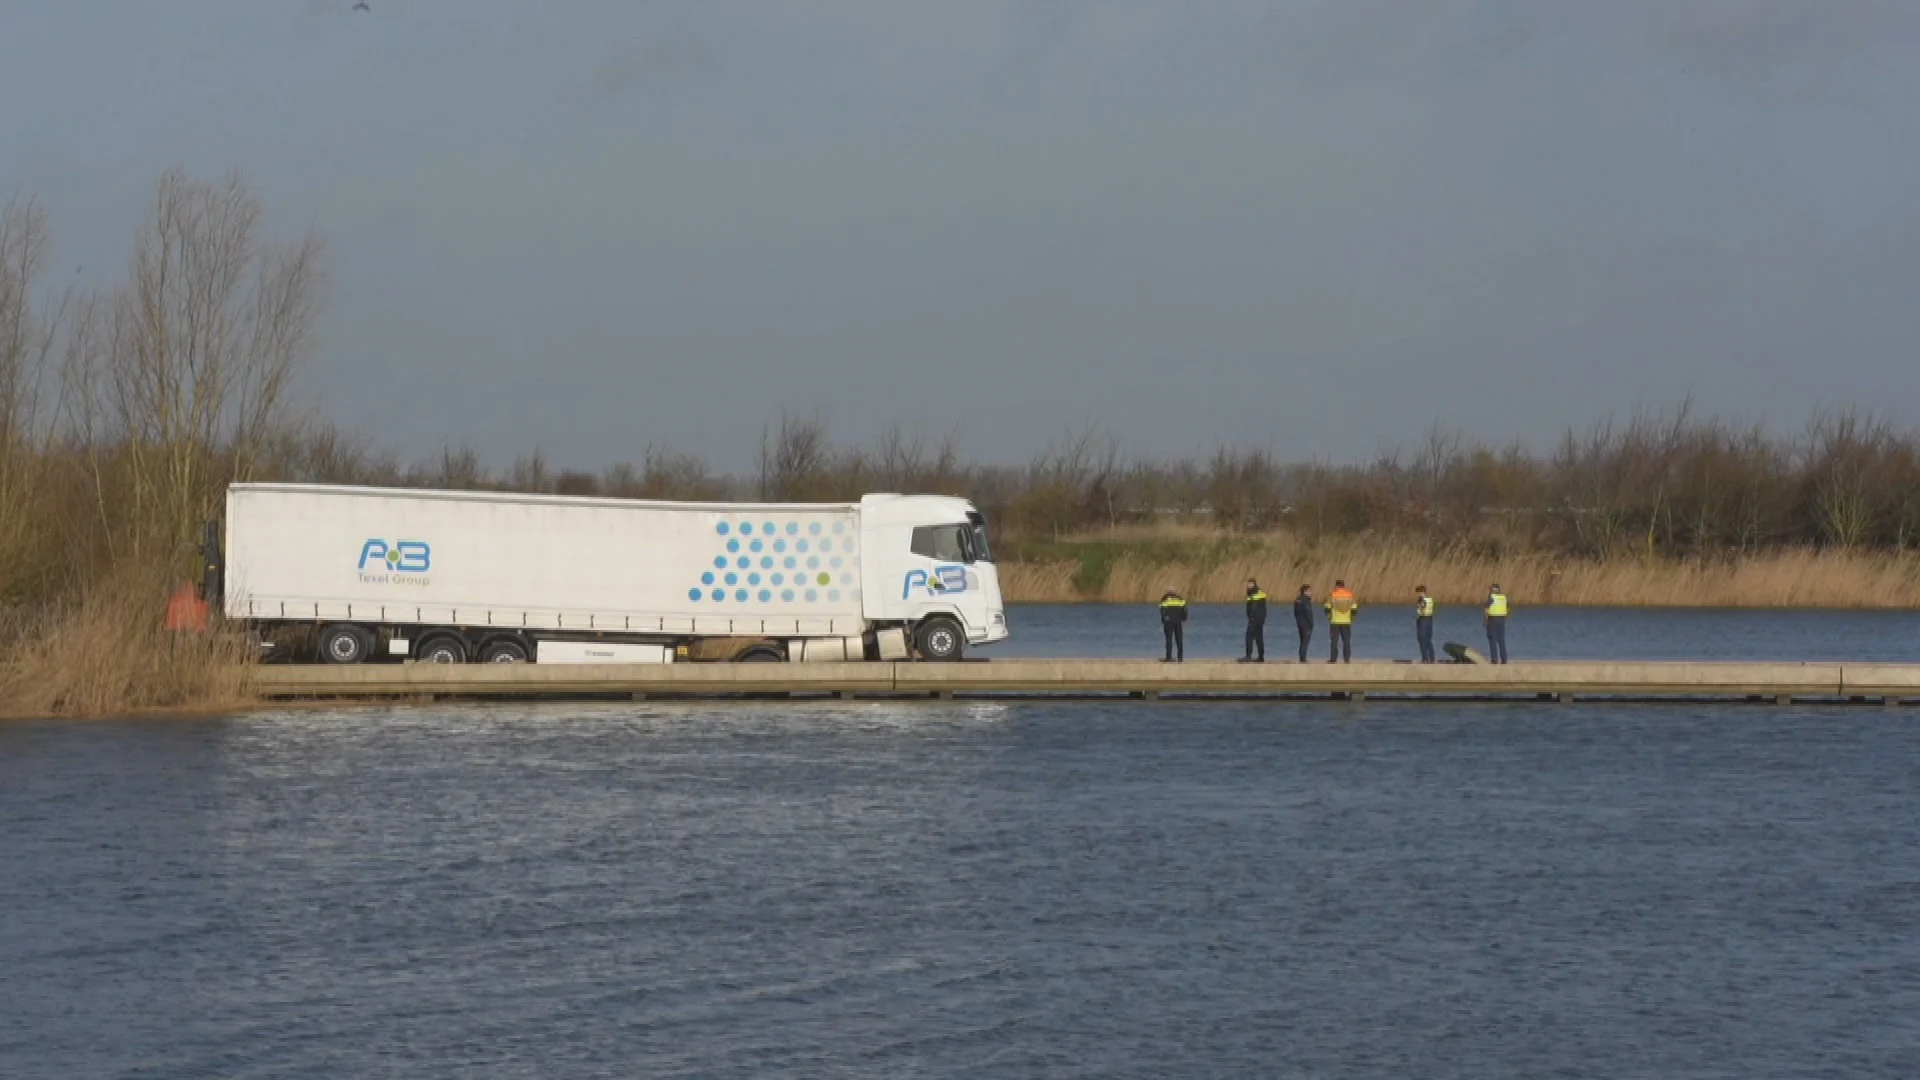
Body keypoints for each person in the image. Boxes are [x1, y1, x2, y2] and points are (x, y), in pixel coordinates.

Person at [1325, 580, 1357, 663]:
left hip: (1335, 621)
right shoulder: (1349, 595)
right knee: (1346, 641)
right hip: (1346, 621)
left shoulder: (1333, 594)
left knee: (1334, 642)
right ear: (1343, 586)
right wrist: (1351, 618)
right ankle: (1346, 659)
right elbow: (1354, 608)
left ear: (1337, 586)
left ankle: (1333, 659)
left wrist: (1329, 617)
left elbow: (1327, 607)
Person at [1241, 579, 1268, 662]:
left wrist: (1252, 618)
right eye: (1248, 584)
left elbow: (1254, 607)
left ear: (1254, 584)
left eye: (1250, 584)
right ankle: (1261, 657)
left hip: (1255, 619)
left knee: (1249, 637)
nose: (1248, 585)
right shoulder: (1253, 593)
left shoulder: (1255, 593)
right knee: (1259, 638)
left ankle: (1248, 656)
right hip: (1259, 619)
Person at [1159, 589, 1188, 662]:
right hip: (1178, 621)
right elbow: (1185, 609)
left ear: (1168, 592)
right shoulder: (1180, 599)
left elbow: (1162, 610)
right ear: (1175, 592)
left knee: (1169, 639)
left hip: (1168, 621)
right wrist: (1184, 619)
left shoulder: (1165, 599)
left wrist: (1163, 619)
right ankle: (1180, 658)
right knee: (1179, 639)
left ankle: (1169, 657)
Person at [1484, 583, 1510, 664]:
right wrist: (1505, 618)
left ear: (1495, 589)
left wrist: (1486, 620)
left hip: (1493, 619)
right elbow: (1508, 609)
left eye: (1492, 589)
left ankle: (1494, 659)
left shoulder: (1491, 598)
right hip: (1502, 619)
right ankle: (1504, 659)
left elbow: (1485, 609)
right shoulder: (1503, 598)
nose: (1491, 590)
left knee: (1492, 639)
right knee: (1501, 639)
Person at [1414, 585, 1436, 663]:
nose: (1418, 595)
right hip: (1429, 619)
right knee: (1428, 639)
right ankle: (1432, 658)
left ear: (1422, 592)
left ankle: (1425, 658)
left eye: (1418, 593)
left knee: (1422, 638)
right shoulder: (1430, 600)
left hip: (1424, 619)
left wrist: (1420, 602)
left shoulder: (1423, 600)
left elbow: (1423, 606)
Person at [1293, 584, 1315, 663]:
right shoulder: (1306, 600)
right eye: (1309, 591)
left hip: (1300, 623)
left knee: (1302, 641)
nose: (1311, 593)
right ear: (1305, 591)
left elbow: (1295, 613)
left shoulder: (1297, 599)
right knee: (1305, 641)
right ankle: (1303, 659)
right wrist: (1311, 623)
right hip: (1306, 624)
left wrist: (1298, 621)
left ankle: (1301, 657)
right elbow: (1308, 612)